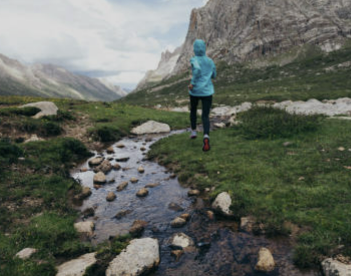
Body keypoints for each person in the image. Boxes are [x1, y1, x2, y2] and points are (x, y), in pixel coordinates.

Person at [188, 39, 216, 152]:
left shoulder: (194, 59)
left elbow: (197, 70)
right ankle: (206, 136)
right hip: (207, 91)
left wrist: (193, 83)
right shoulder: (210, 61)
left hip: (195, 91)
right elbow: (214, 75)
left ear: (195, 48)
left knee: (193, 110)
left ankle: (194, 132)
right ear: (204, 48)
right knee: (205, 115)